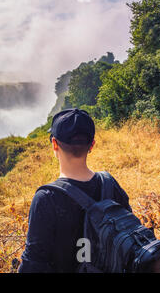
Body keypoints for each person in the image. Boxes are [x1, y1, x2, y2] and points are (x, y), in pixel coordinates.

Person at [18, 108, 156, 272]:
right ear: (92, 145)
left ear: (54, 144)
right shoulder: (110, 184)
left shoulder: (46, 198)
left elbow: (33, 264)